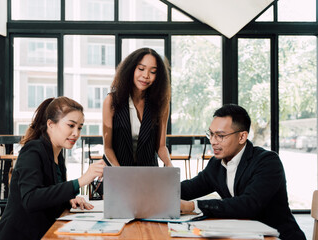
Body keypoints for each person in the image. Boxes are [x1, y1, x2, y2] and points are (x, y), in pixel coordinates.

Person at [180, 104, 306, 240]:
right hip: (243, 234)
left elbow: (249, 204)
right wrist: (161, 192)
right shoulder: (216, 164)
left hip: (278, 236)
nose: (213, 141)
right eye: (211, 134)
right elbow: (190, 188)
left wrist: (193, 206)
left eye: (220, 136)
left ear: (242, 137)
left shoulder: (267, 162)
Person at [0, 97, 105, 240]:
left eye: (80, 127)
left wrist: (68, 199)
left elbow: (47, 193)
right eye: (71, 125)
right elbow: (31, 199)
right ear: (50, 124)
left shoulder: (57, 153)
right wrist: (80, 181)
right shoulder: (33, 150)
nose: (76, 133)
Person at [102, 47, 173, 167]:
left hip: (148, 172)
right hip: (117, 170)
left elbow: (161, 146)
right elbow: (108, 148)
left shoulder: (161, 104)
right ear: (131, 69)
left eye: (153, 72)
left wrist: (169, 165)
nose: (146, 75)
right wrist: (120, 172)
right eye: (141, 68)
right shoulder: (111, 101)